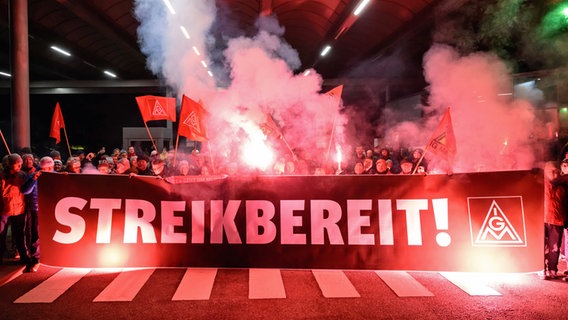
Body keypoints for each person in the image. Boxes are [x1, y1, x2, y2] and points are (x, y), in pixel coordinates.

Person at [21, 156, 54, 272]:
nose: (48, 170)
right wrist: (33, 179)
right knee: (36, 235)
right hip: (37, 209)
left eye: (50, 168)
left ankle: (53, 257)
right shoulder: (34, 175)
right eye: (46, 168)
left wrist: (65, 178)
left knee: (53, 234)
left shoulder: (56, 175)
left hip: (52, 209)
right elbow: (25, 191)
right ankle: (36, 259)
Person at [0, 154, 30, 266]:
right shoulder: (2, 175)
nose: (19, 166)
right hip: (4, 209)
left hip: (19, 208)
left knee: (20, 234)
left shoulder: (22, 175)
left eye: (20, 164)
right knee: (1, 234)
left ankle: (23, 256)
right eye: (18, 164)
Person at [542, 161, 567, 280]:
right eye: (550, 171)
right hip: (546, 218)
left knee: (554, 246)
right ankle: (545, 269)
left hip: (555, 219)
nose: (553, 174)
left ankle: (551, 270)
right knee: (546, 246)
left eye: (555, 171)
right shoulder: (543, 182)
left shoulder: (564, 181)